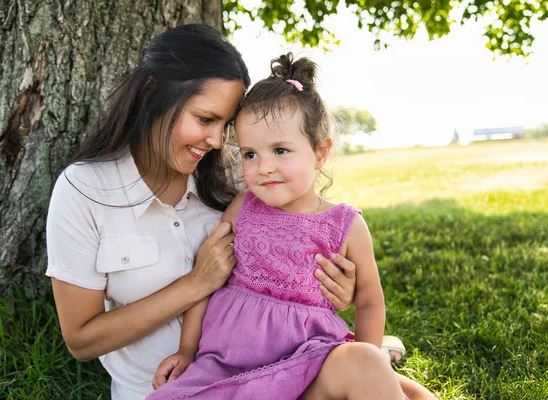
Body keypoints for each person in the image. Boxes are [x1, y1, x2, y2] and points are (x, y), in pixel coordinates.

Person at [46, 24, 370, 400]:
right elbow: (81, 340)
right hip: (171, 388)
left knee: (372, 375)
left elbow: (298, 228)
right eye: (204, 119)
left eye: (225, 126)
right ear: (152, 94)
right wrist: (197, 283)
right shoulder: (85, 190)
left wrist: (331, 287)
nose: (217, 142)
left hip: (281, 374)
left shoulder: (235, 176)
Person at [146, 53, 433, 400]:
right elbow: (206, 282)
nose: (264, 166)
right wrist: (187, 352)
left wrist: (369, 358)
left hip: (308, 369)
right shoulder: (243, 208)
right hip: (228, 367)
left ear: (320, 153)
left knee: (363, 364)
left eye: (280, 150)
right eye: (250, 154)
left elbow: (370, 301)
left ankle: (384, 369)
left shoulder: (345, 225)